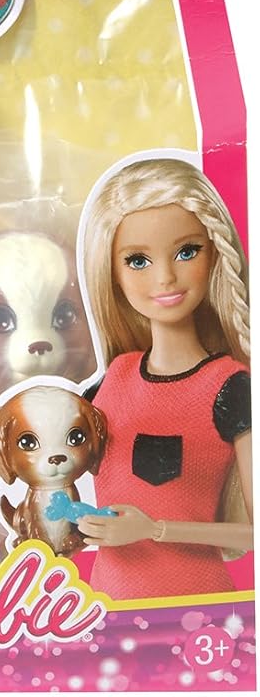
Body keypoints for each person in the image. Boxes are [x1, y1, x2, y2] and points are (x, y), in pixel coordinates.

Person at [78, 157, 252, 600]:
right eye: (138, 260)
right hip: (107, 606)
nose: (165, 277)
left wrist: (154, 529)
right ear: (111, 273)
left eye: (187, 251)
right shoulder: (108, 385)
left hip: (196, 609)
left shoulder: (230, 388)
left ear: (215, 253)